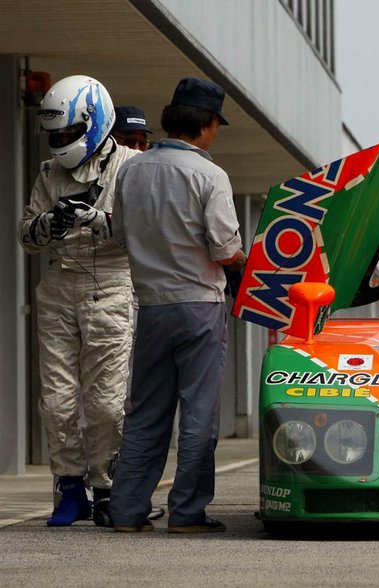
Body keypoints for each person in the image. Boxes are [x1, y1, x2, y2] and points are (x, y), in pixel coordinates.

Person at [109, 78, 245, 533]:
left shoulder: (132, 171)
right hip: (199, 307)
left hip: (149, 305)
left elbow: (119, 232)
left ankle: (127, 511)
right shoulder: (210, 175)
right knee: (199, 414)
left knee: (145, 412)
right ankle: (187, 513)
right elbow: (225, 248)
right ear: (206, 125)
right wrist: (248, 264)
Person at [16, 75, 139, 527]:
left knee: (106, 402)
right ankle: (69, 487)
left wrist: (100, 220)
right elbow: (26, 235)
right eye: (57, 136)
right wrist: (50, 224)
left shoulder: (130, 167)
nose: (62, 142)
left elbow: (144, 234)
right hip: (59, 284)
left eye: (69, 134)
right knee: (58, 399)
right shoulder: (49, 173)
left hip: (111, 283)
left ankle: (107, 487)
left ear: (94, 122)